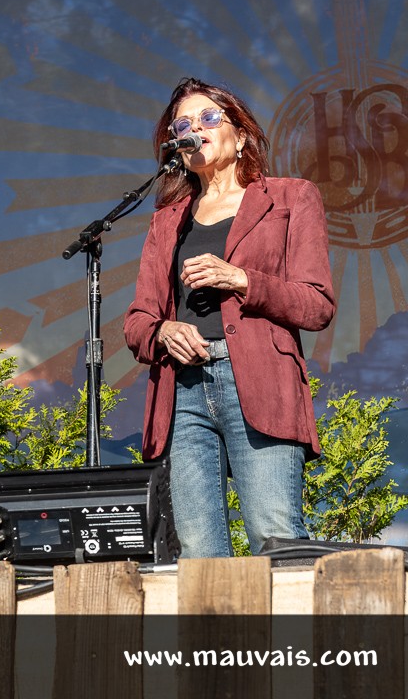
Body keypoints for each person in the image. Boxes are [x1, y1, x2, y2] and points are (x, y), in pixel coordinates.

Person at [123, 77, 335, 558]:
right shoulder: (167, 219)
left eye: (208, 118)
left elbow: (317, 304)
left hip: (258, 382)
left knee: (274, 538)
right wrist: (163, 330)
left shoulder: (290, 198)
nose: (194, 130)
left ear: (240, 136)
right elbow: (137, 321)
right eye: (183, 125)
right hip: (183, 391)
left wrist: (241, 279)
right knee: (198, 555)